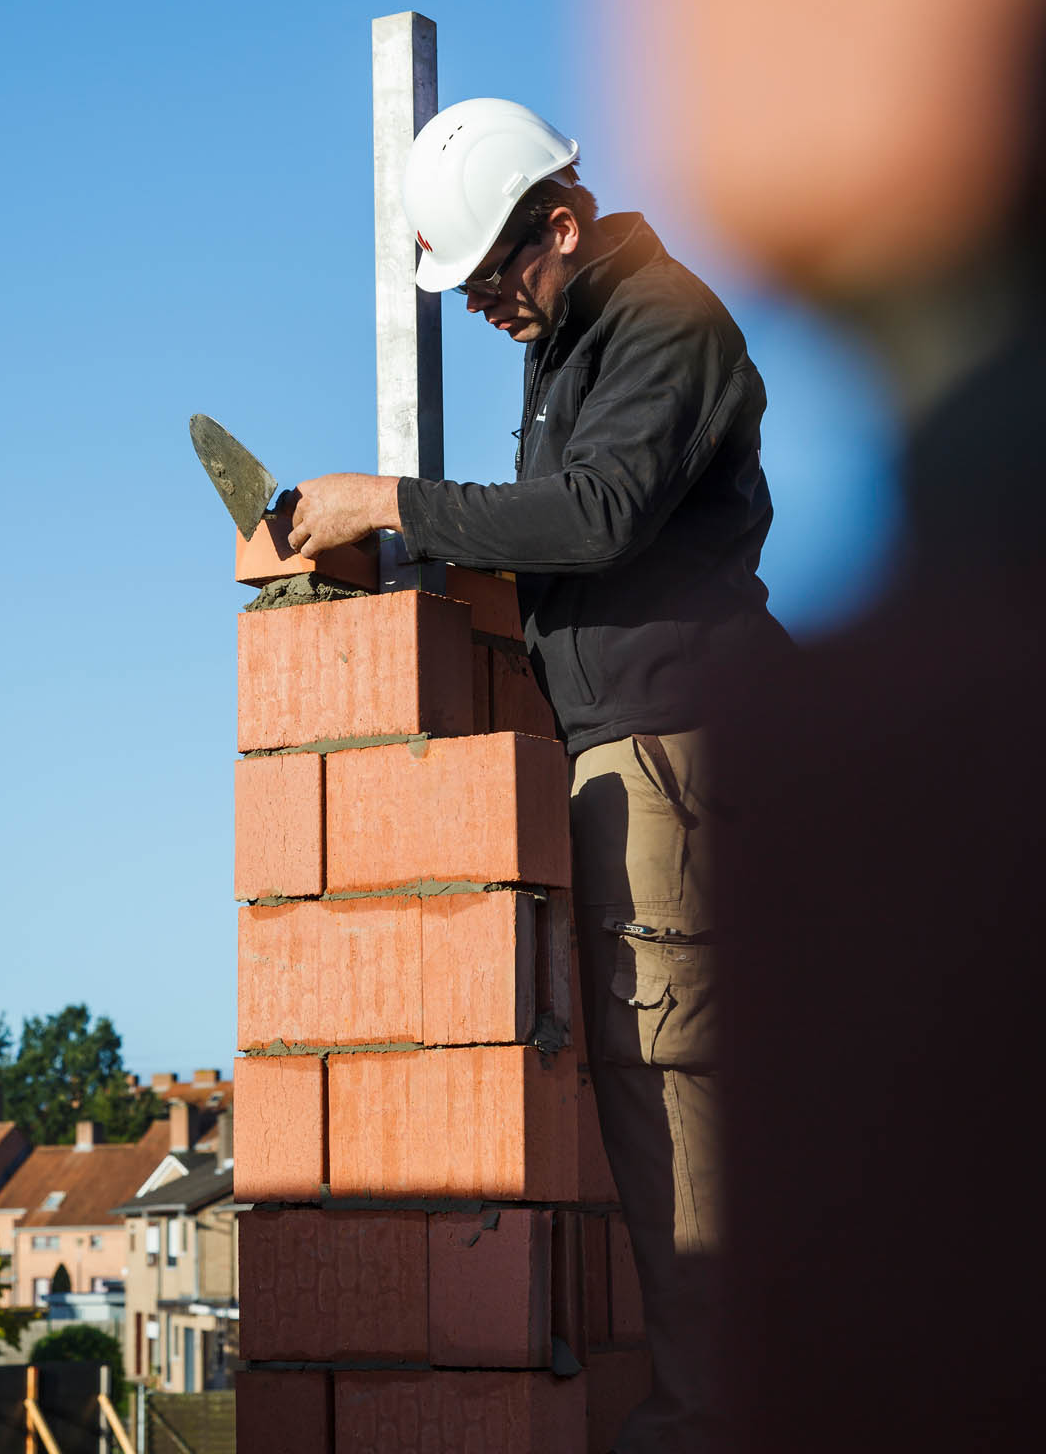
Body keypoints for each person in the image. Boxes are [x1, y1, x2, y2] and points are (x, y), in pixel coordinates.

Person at [287, 97, 785, 1453]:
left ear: (559, 224)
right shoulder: (576, 339)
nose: (490, 308)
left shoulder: (662, 322)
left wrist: (392, 502)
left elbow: (597, 516)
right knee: (655, 1093)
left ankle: (712, 1418)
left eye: (498, 276)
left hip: (678, 745)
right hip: (637, 749)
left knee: (680, 1097)